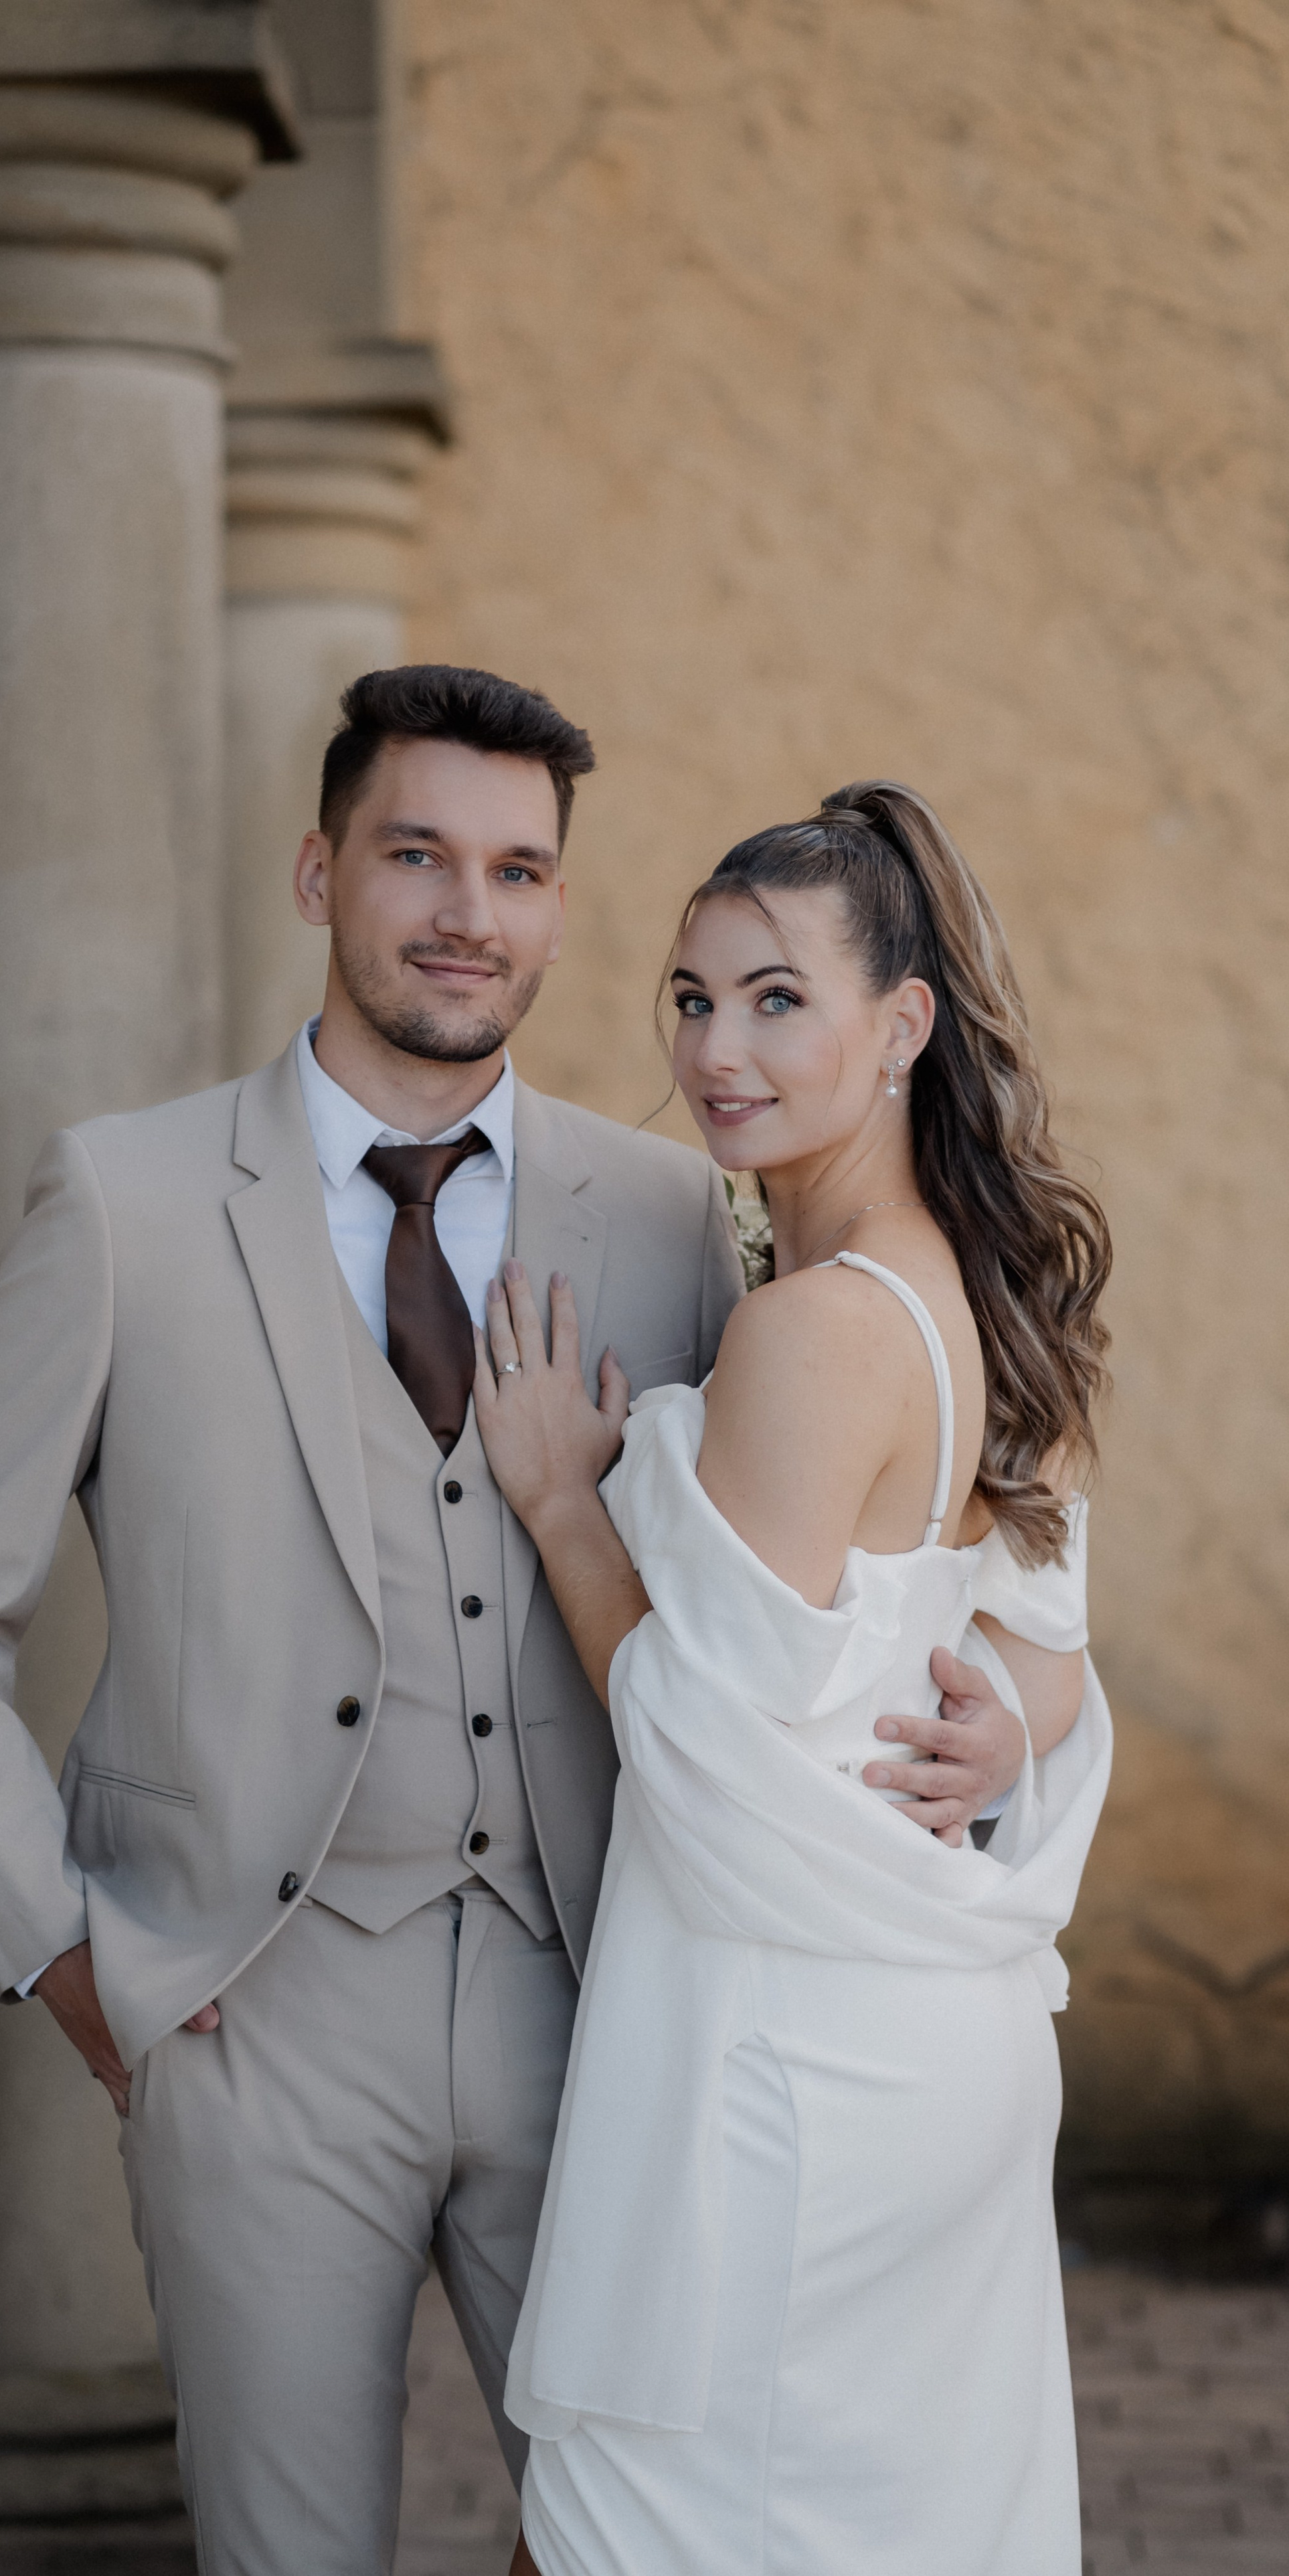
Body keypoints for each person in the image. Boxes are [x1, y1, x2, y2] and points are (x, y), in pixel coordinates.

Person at [0, 686, 1033, 2576]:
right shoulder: (128, 1201)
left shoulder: (678, 1209)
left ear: (561, 913)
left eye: (518, 870)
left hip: (609, 2012)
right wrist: (70, 1956)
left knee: (649, 2538)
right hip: (257, 2028)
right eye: (417, 856)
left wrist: (1020, 1727)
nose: (466, 912)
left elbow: (896, 1538)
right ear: (323, 873)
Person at [473, 780, 1113, 2576]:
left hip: (787, 2064)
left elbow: (700, 1746)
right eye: (690, 997)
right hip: (928, 2047)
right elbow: (1048, 1656)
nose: (716, 1052)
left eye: (775, 999)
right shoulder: (987, 1295)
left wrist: (557, 1505)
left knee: (641, 2534)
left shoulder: (815, 1328)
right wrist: (1009, 1724)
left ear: (901, 1025)